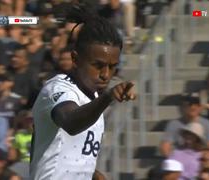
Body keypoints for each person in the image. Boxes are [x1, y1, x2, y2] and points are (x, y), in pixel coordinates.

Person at [30, 4, 135, 179]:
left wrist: (93, 175)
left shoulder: (92, 98)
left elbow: (72, 156)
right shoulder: (56, 88)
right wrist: (108, 97)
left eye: (112, 67)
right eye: (98, 66)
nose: (106, 75)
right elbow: (71, 123)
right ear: (75, 59)